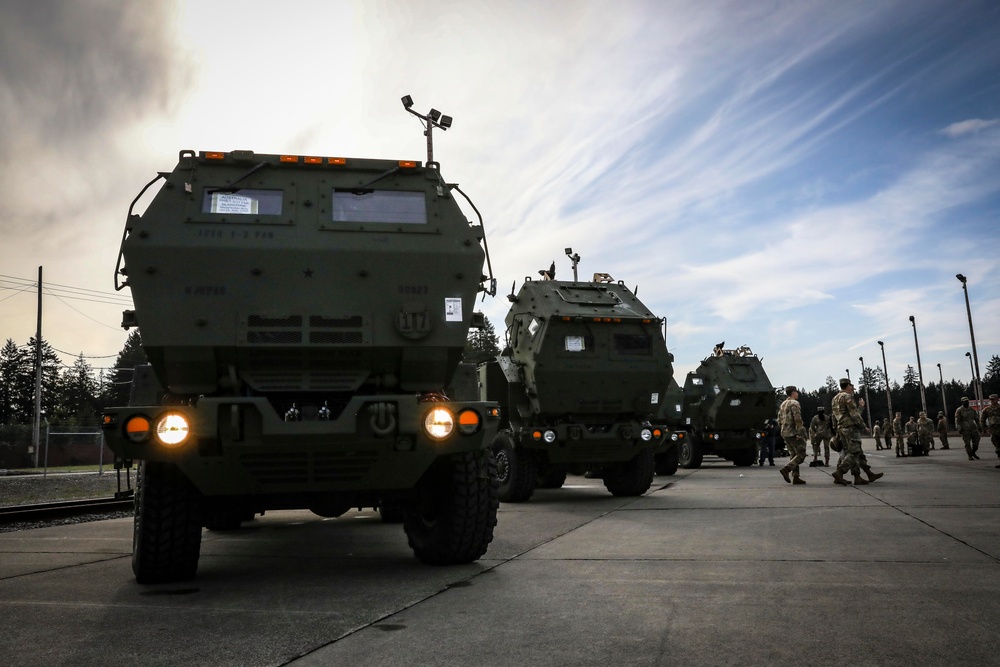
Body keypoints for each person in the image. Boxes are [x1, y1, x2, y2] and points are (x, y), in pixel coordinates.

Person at [830, 378, 882, 485]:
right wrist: (863, 425)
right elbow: (854, 414)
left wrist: (836, 429)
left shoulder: (835, 398)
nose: (852, 388)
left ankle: (860, 476)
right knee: (854, 452)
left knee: (856, 453)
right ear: (848, 386)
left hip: (841, 428)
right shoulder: (847, 397)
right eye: (851, 386)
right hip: (850, 428)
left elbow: (834, 416)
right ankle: (840, 472)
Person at [777, 386, 807, 485]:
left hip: (785, 432)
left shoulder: (783, 404)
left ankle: (796, 476)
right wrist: (799, 432)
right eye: (796, 392)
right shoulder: (794, 403)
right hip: (794, 432)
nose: (797, 394)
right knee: (801, 454)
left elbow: (779, 419)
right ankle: (787, 469)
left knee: (793, 454)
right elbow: (797, 419)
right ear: (793, 392)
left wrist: (782, 429)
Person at [955, 397, 981, 461]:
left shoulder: (972, 410)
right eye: (964, 402)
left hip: (973, 428)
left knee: (976, 441)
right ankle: (970, 455)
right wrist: (959, 428)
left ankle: (973, 452)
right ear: (962, 402)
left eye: (966, 401)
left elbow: (976, 419)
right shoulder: (959, 410)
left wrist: (980, 426)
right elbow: (957, 420)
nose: (966, 403)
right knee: (967, 443)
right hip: (965, 429)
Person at [981, 394, 1000, 469]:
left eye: (993, 399)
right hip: (993, 430)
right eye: (991, 400)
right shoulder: (987, 409)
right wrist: (984, 428)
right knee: (998, 447)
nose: (992, 401)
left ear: (997, 399)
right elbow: (982, 419)